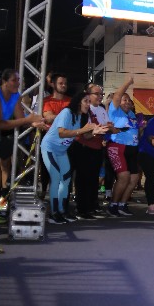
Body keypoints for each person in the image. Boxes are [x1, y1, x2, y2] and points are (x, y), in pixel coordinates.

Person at [0, 69, 43, 228]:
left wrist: (35, 122)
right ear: (4, 82)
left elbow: (20, 119)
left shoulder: (15, 96)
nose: (18, 83)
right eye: (14, 80)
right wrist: (27, 120)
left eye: (19, 80)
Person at [41, 92, 107, 224]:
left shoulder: (80, 116)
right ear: (78, 102)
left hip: (62, 151)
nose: (88, 104)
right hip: (50, 148)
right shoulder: (66, 113)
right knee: (56, 178)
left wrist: (94, 133)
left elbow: (84, 136)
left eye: (89, 102)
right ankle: (53, 213)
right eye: (86, 101)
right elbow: (62, 133)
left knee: (66, 179)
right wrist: (82, 130)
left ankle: (62, 211)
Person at [71, 84, 112, 219]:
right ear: (87, 94)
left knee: (94, 179)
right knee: (83, 179)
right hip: (84, 148)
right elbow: (85, 133)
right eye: (97, 94)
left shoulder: (101, 109)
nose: (100, 97)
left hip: (97, 148)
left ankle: (92, 206)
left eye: (101, 94)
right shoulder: (84, 110)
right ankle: (82, 208)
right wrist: (96, 131)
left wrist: (108, 129)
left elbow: (106, 126)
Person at [106, 77, 140, 217]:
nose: (127, 102)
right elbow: (117, 95)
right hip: (118, 147)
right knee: (124, 176)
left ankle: (122, 205)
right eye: (124, 100)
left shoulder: (131, 114)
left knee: (134, 178)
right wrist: (128, 82)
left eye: (128, 100)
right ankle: (113, 205)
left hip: (132, 149)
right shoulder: (114, 111)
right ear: (118, 102)